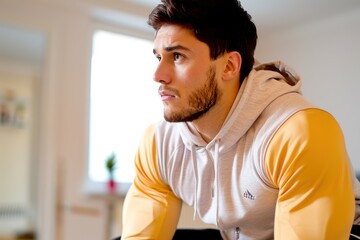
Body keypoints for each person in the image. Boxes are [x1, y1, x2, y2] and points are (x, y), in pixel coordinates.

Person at [121, 0, 360, 239]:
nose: (158, 75)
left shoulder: (297, 132)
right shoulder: (159, 144)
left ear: (229, 66)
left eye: (177, 56)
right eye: (158, 57)